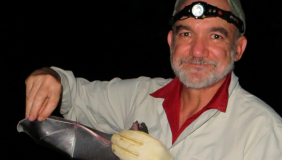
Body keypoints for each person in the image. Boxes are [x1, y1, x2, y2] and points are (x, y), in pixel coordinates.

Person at [25, 0, 282, 159]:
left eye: (216, 36)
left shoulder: (263, 130)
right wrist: (52, 76)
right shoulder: (141, 95)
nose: (197, 51)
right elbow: (76, 94)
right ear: (171, 42)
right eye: (186, 34)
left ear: (238, 48)